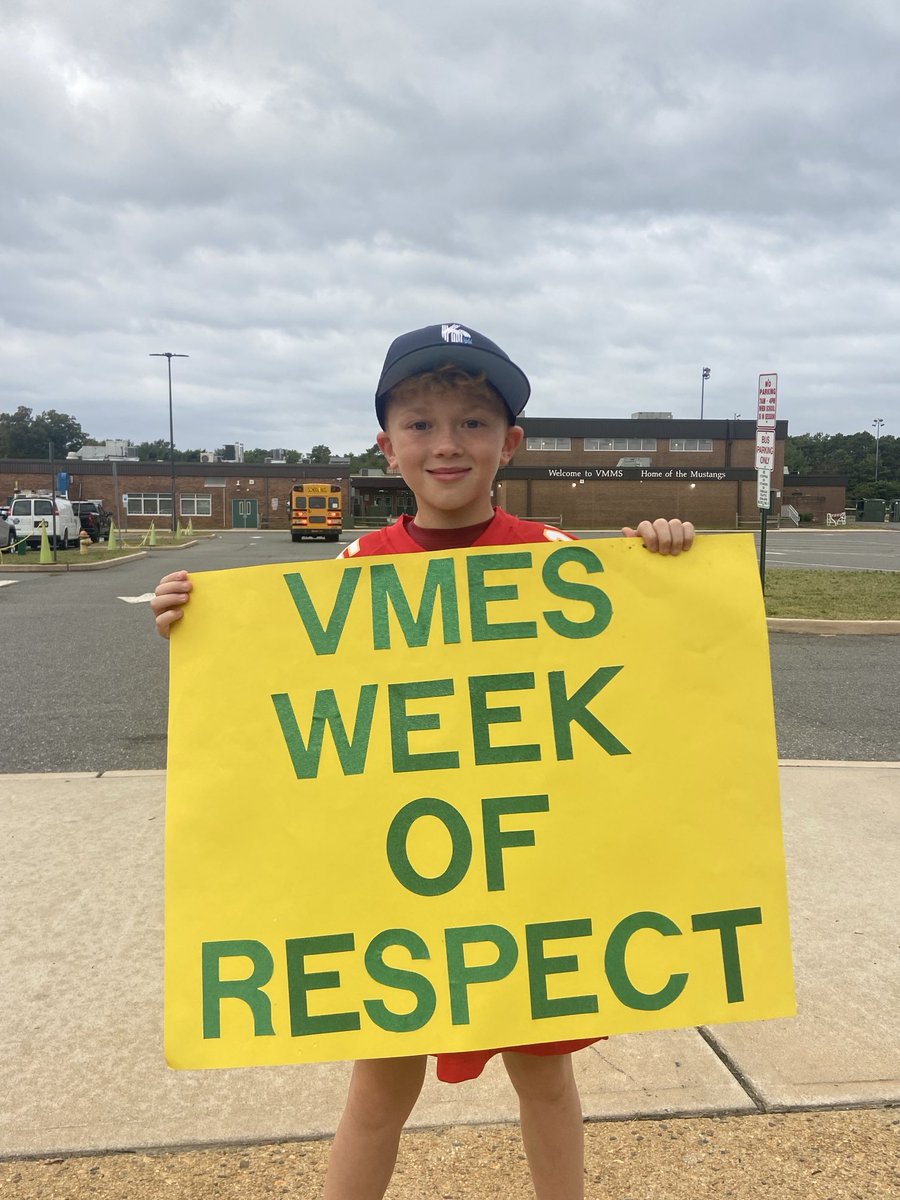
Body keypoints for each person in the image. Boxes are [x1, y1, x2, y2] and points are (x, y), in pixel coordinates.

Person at [151, 323, 694, 1199]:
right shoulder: (351, 572)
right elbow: (281, 716)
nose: (448, 444)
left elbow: (658, 691)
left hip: (531, 881)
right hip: (398, 889)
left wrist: (666, 565)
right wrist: (200, 628)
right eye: (421, 423)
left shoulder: (562, 564)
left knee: (546, 1080)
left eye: (474, 423)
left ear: (510, 442)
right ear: (386, 444)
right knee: (377, 1091)